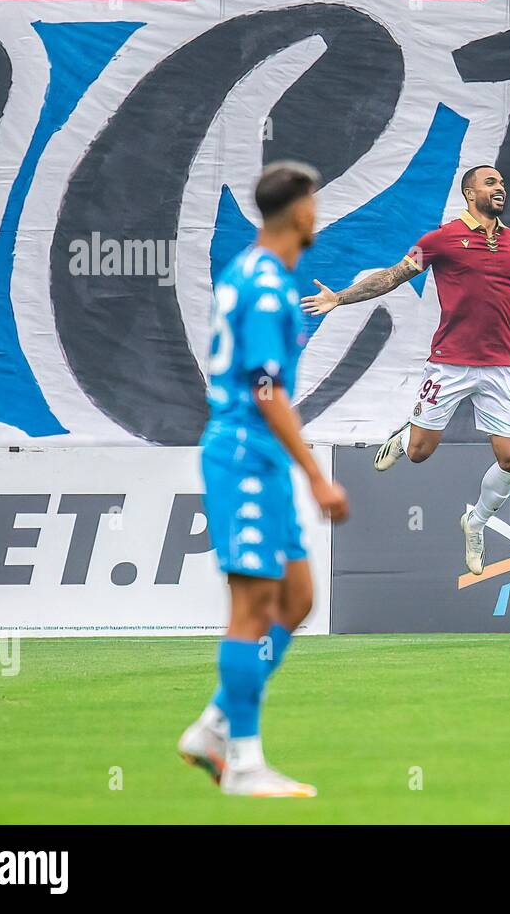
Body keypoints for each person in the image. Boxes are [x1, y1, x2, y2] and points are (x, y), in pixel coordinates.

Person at [301, 165, 510, 574]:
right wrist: (339, 298)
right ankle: (409, 433)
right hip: (448, 365)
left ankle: (475, 521)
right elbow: (392, 277)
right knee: (421, 454)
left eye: (502, 181)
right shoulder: (441, 240)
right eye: (491, 182)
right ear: (468, 191)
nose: (501, 187)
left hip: (499, 368)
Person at [178, 161, 349, 796]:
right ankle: (244, 764)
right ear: (299, 211)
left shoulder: (249, 273)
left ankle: (215, 723)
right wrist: (316, 474)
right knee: (251, 609)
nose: (318, 214)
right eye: (315, 202)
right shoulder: (268, 286)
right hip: (245, 453)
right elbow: (264, 385)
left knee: (297, 599)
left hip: (262, 458)